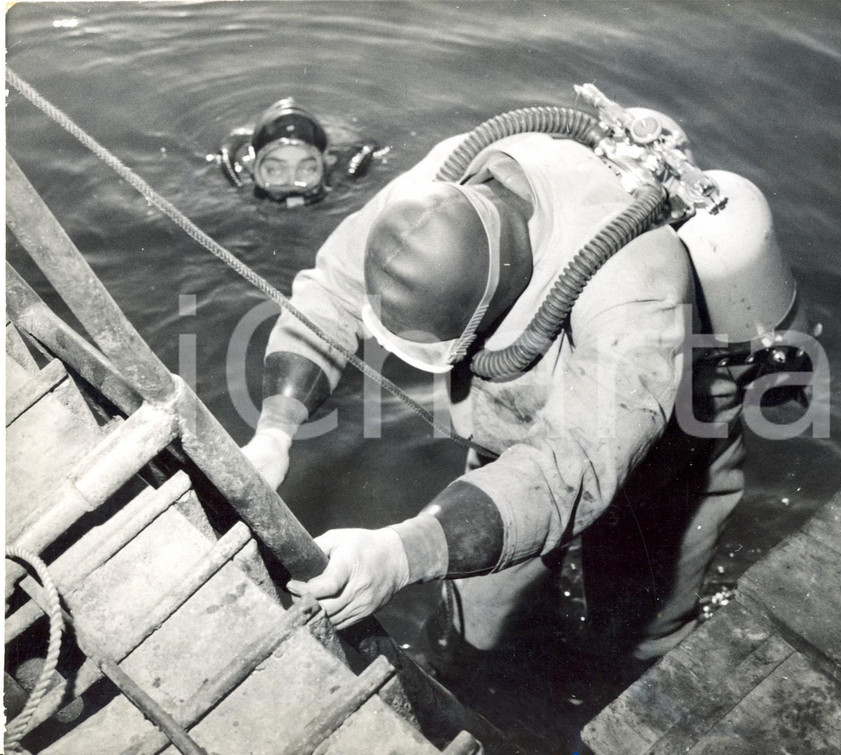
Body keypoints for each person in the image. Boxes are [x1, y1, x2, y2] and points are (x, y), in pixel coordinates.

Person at [240, 91, 809, 677]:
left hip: (661, 430)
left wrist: (398, 554)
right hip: (515, 420)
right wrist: (275, 432)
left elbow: (572, 469)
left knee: (640, 633)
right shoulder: (439, 188)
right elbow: (330, 293)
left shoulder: (637, 284)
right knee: (475, 631)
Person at [213, 97, 385, 208]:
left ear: (326, 164)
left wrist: (351, 178)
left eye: (308, 169)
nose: (291, 184)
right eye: (273, 170)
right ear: (252, 166)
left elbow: (368, 148)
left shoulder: (343, 182)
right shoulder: (238, 188)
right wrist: (236, 185)